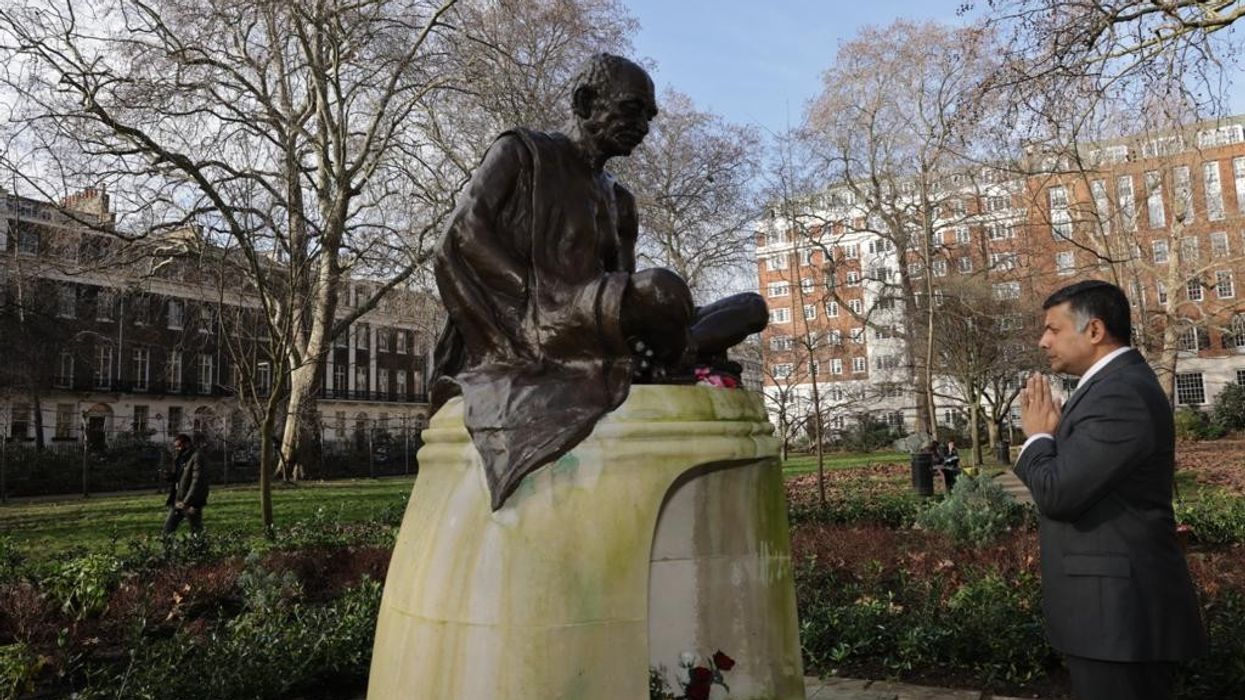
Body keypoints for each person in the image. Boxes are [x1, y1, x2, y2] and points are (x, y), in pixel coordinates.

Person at [431, 54, 765, 510]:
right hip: (542, 312)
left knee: (752, 306)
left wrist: (640, 319)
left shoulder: (619, 200)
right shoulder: (522, 152)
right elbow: (465, 233)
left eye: (649, 116)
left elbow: (625, 284)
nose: (643, 127)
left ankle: (672, 349)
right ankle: (674, 352)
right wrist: (529, 302)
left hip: (596, 314)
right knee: (664, 290)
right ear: (585, 102)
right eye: (632, 110)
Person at [1016, 280, 1205, 700]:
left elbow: (1058, 493)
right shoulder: (1108, 388)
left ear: (1095, 330)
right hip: (1109, 617)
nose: (1042, 340)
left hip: (1118, 617)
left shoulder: (1119, 394)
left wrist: (1037, 439)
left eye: (1053, 328)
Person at [163, 433, 210, 536]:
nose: (177, 449)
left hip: (191, 502)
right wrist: (169, 476)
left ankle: (200, 550)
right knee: (167, 530)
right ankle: (167, 550)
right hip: (178, 500)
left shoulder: (196, 456)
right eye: (176, 447)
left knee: (196, 530)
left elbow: (197, 481)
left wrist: (187, 501)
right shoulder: (180, 458)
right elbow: (180, 477)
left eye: (179, 446)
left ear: (187, 444)